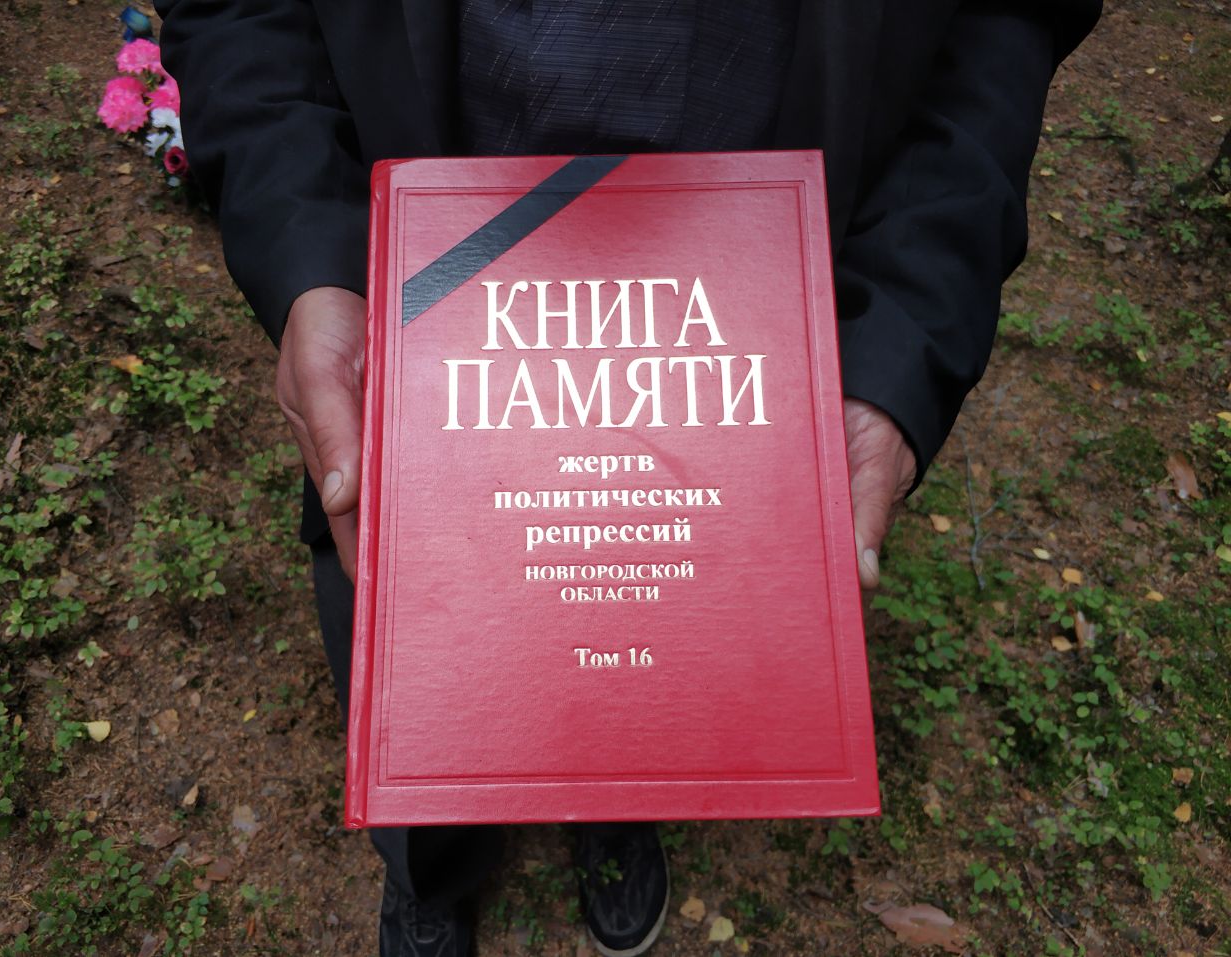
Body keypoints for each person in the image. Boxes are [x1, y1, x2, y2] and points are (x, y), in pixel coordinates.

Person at [155, 2, 1101, 954]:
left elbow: (1000, 26)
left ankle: (617, 792)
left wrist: (900, 334)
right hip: (430, 296)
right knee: (430, 663)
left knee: (646, 629)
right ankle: (431, 864)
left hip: (741, 292)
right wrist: (313, 253)